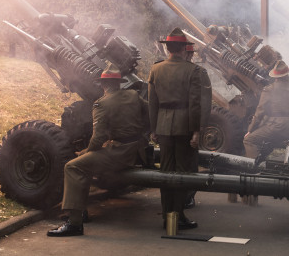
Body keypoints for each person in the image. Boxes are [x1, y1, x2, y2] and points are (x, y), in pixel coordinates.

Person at [47, 64, 149, 237]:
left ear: (103, 84)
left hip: (119, 154)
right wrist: (144, 134)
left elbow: (98, 138)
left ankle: (74, 223)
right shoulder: (133, 95)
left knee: (73, 166)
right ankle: (80, 210)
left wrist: (86, 151)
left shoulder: (101, 104)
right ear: (118, 83)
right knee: (85, 165)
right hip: (136, 150)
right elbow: (150, 113)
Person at [148, 27, 202, 230]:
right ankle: (177, 216)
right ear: (182, 48)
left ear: (169, 48)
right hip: (183, 127)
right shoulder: (192, 71)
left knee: (165, 172)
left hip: (163, 125)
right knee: (182, 173)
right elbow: (195, 104)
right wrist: (196, 131)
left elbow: (152, 103)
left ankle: (167, 217)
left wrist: (153, 129)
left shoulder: (156, 69)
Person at [243, 60, 289, 161]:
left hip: (277, 127)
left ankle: (256, 169)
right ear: (287, 75)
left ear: (276, 77)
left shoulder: (269, 89)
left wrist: (250, 130)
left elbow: (260, 112)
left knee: (249, 140)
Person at [183, 43, 212, 210]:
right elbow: (205, 102)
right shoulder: (199, 73)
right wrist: (200, 127)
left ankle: (181, 198)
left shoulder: (162, 68)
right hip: (188, 123)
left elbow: (205, 102)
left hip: (173, 125)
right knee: (189, 161)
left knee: (178, 162)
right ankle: (186, 197)